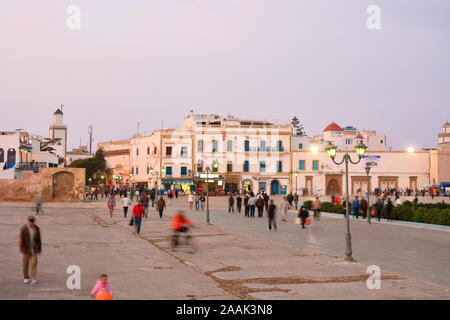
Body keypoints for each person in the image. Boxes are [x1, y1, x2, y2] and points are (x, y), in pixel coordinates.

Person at [19, 216, 42, 284]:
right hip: (26, 250)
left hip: (34, 249)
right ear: (28, 221)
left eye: (33, 222)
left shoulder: (37, 228)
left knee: (34, 263)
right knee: (25, 264)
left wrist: (39, 249)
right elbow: (21, 239)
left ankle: (33, 277)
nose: (32, 223)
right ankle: (26, 277)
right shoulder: (24, 228)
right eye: (30, 221)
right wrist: (21, 248)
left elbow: (38, 239)